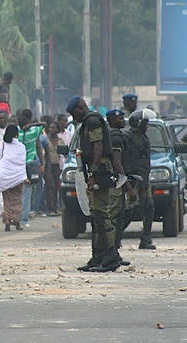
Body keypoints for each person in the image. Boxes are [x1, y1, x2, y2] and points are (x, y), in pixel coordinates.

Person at [67, 95, 120, 272]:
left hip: (100, 171)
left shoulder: (92, 121)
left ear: (80, 108)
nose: (74, 118)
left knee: (102, 215)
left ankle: (110, 257)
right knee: (96, 216)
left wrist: (94, 173)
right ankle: (98, 257)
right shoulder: (89, 121)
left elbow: (98, 146)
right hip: (95, 170)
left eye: (74, 114)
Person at [122, 109, 157, 250]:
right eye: (145, 123)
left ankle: (146, 239)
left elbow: (146, 161)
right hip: (131, 178)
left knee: (149, 207)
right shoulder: (127, 138)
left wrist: (146, 180)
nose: (147, 127)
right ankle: (115, 239)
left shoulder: (144, 139)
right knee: (127, 212)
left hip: (143, 178)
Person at [106, 109, 136, 265]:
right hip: (116, 182)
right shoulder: (116, 135)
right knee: (114, 218)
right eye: (120, 118)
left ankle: (113, 251)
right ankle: (111, 252)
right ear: (111, 120)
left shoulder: (111, 133)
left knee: (121, 216)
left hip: (114, 181)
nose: (123, 120)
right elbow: (116, 163)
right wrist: (129, 187)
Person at [0, 125, 27, 231]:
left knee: (7, 200)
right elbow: (22, 163)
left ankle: (7, 220)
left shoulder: (2, 145)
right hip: (19, 177)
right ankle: (17, 222)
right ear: (17, 134)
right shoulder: (21, 147)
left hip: (5, 177)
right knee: (17, 199)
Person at [46, 121, 65, 216]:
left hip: (57, 166)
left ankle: (56, 207)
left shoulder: (61, 140)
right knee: (50, 187)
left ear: (57, 129)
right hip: (48, 166)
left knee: (57, 187)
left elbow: (65, 153)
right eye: (50, 128)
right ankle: (50, 208)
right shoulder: (45, 140)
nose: (52, 130)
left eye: (54, 128)